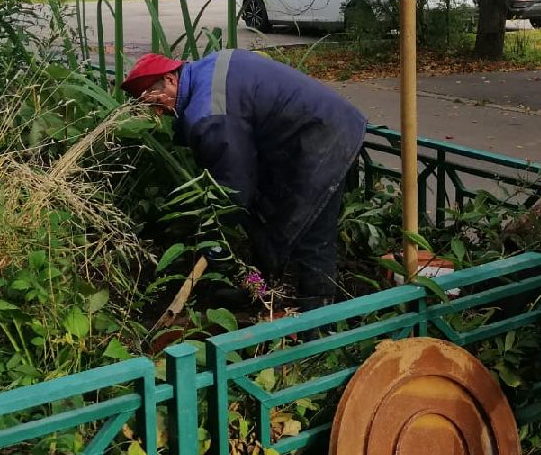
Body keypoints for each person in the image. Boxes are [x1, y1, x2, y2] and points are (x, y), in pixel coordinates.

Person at [122, 49, 368, 309]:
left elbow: (234, 187)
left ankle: (319, 321)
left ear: (171, 79)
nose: (159, 113)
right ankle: (261, 290)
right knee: (263, 214)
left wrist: (214, 234)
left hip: (323, 136)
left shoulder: (208, 113)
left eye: (157, 103)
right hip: (299, 135)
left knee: (312, 231)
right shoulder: (207, 69)